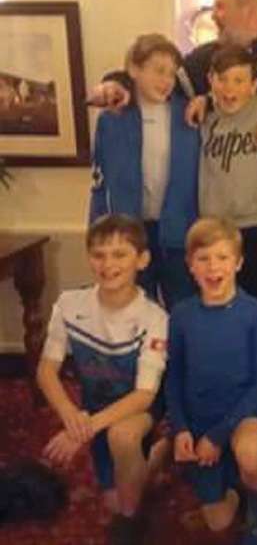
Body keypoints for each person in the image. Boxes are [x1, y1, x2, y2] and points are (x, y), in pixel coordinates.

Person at [36, 214, 168, 545]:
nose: (108, 265)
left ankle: (131, 520)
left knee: (122, 443)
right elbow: (46, 370)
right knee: (113, 498)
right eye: (99, 255)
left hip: (141, 409)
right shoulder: (69, 304)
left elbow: (144, 395)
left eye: (120, 254)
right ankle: (155, 461)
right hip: (94, 408)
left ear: (142, 259)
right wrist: (70, 415)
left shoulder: (154, 318)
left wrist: (83, 430)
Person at [165, 217, 257, 545]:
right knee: (218, 522)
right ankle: (232, 490)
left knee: (252, 456)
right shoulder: (181, 315)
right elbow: (174, 377)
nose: (213, 268)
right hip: (199, 420)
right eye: (203, 259)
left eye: (222, 257)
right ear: (190, 265)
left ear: (238, 262)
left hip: (244, 415)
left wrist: (217, 435)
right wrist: (181, 428)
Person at [89, 33, 199, 309]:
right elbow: (100, 181)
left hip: (178, 229)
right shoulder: (113, 119)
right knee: (134, 308)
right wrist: (98, 230)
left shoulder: (188, 115)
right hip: (130, 231)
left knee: (182, 307)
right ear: (134, 69)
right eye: (158, 71)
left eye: (171, 74)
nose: (166, 81)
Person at [90, 0, 257, 111]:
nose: (213, 15)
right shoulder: (202, 59)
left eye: (220, 7)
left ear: (248, 10)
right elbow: (157, 82)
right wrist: (116, 83)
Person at [199, 44, 257, 315]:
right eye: (222, 79)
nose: (229, 89)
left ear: (254, 85)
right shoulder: (204, 117)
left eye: (239, 80)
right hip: (216, 228)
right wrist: (202, 99)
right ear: (210, 80)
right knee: (220, 302)